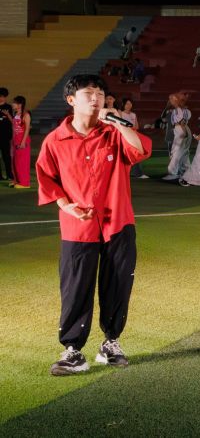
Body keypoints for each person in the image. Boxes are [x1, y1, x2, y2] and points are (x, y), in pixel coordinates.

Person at [35, 74, 152, 375]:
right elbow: (47, 178)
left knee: (118, 284)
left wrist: (118, 123)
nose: (96, 98)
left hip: (118, 224)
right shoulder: (55, 140)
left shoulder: (114, 133)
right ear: (71, 100)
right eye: (88, 93)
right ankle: (73, 350)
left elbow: (140, 150)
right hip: (77, 227)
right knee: (75, 287)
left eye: (100, 93)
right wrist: (66, 205)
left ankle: (110, 343)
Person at [163, 92, 191, 181]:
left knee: (176, 152)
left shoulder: (178, 110)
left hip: (181, 130)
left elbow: (181, 122)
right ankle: (186, 171)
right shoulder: (184, 110)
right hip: (182, 130)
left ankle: (173, 173)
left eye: (172, 99)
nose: (170, 101)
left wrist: (184, 133)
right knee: (184, 152)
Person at [118, 98, 148, 179]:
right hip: (124, 136)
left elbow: (136, 126)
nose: (129, 105)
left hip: (133, 136)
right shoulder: (120, 113)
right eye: (127, 104)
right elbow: (120, 125)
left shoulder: (133, 114)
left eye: (130, 104)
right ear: (123, 105)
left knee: (136, 154)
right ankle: (129, 173)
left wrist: (131, 129)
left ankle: (137, 173)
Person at [9, 95, 32, 188]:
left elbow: (27, 129)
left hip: (23, 142)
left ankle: (24, 183)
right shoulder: (16, 114)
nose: (12, 104)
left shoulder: (26, 115)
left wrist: (23, 142)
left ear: (20, 104)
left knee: (22, 162)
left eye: (14, 103)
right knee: (15, 162)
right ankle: (17, 180)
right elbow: (14, 129)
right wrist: (12, 141)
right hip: (15, 141)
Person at [0, 87, 14, 182]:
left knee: (6, 156)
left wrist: (7, 115)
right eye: (0, 96)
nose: (1, 98)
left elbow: (13, 121)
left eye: (3, 96)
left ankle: (9, 174)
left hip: (5, 136)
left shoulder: (8, 107)